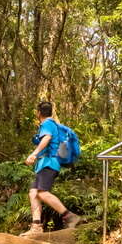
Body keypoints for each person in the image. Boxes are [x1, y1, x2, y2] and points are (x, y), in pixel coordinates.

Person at [25, 99, 82, 235]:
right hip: (45, 164)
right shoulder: (52, 124)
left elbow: (46, 138)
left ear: (38, 113)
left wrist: (33, 154)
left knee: (42, 193)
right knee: (33, 193)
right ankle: (36, 227)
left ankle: (70, 216)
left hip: (49, 163)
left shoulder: (47, 124)